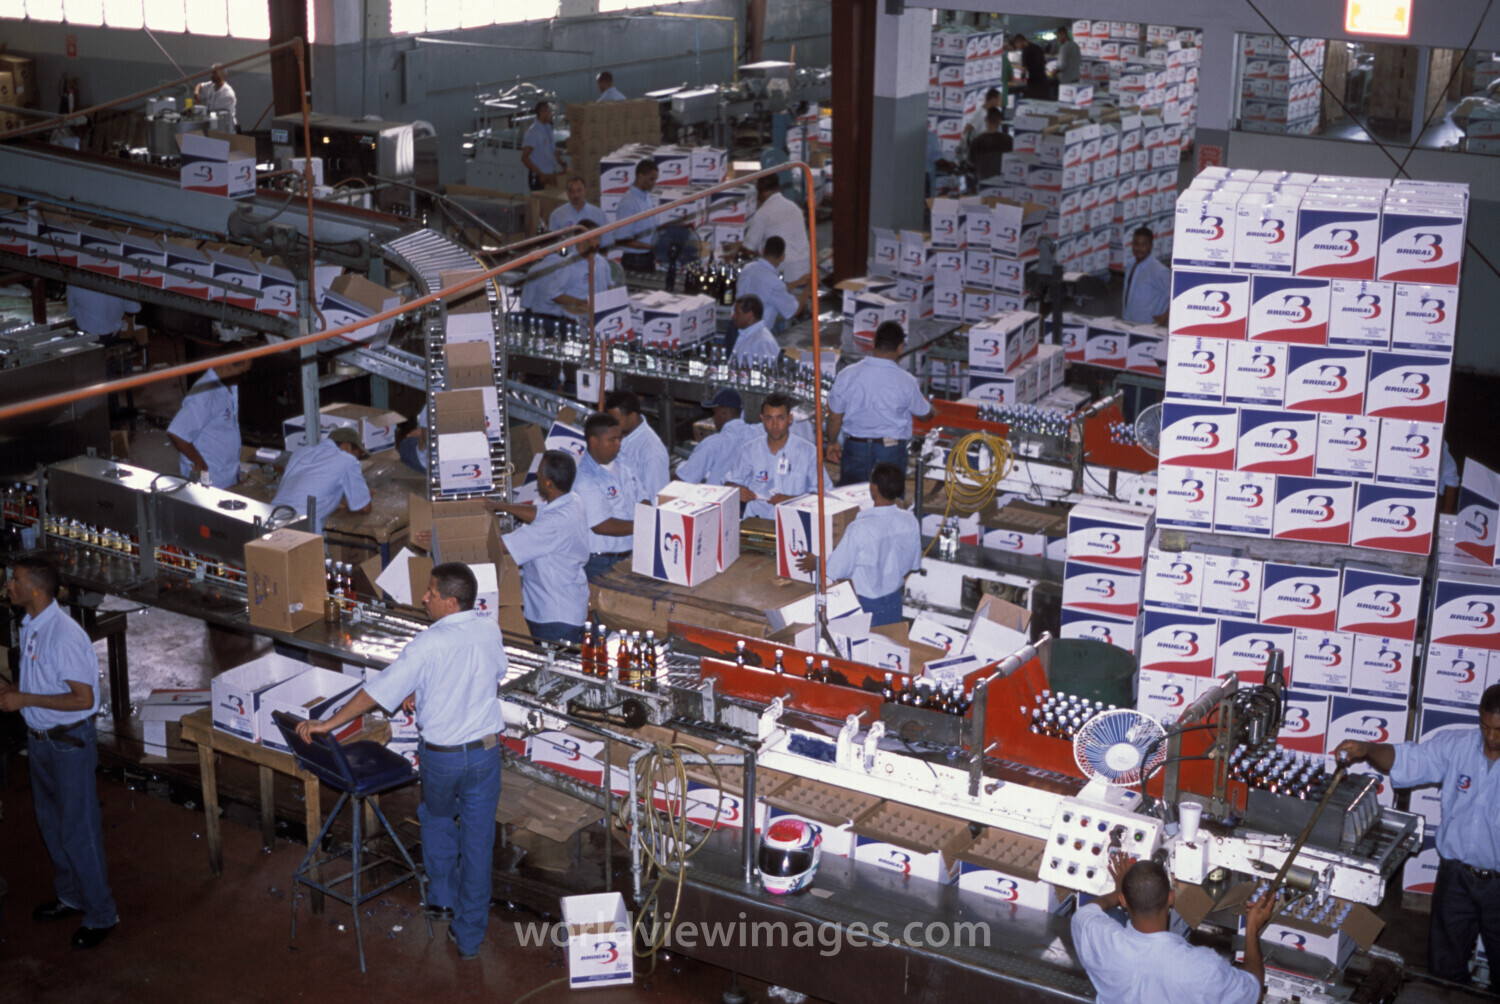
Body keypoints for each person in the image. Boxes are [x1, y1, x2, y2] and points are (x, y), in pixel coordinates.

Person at [297, 563, 505, 962]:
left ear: (451, 601)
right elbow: (490, 673)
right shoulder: (489, 629)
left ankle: (442, 898)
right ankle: (469, 938)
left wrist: (328, 723)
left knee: (437, 817)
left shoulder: (426, 644)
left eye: (431, 593)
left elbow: (376, 692)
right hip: (485, 754)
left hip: (442, 758)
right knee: (478, 843)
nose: (424, 598)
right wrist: (421, 688)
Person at [1334, 684, 1500, 994]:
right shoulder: (1458, 746)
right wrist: (1368, 749)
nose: (1490, 738)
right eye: (1484, 726)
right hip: (1456, 879)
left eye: (1499, 731)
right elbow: (1406, 759)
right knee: (1443, 973)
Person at [0, 557, 118, 950]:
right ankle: (71, 896)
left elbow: (84, 699)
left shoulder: (63, 635)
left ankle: (101, 914)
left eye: (15, 580)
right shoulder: (32, 624)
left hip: (68, 745)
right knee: (51, 823)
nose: (9, 585)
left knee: (78, 830)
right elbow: (41, 679)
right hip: (40, 740)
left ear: (36, 590)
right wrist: (16, 691)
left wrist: (24, 699)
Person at [1072, 852, 1272, 1004]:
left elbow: (1085, 913)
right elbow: (1253, 993)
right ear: (1170, 898)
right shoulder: (1203, 968)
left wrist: (1117, 891)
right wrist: (1252, 928)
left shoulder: (1102, 940)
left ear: (1123, 900)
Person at [796, 462, 920, 626]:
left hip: (866, 605)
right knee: (890, 640)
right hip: (894, 602)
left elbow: (836, 570)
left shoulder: (860, 528)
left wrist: (816, 563)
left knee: (865, 642)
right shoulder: (910, 521)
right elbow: (912, 565)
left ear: (874, 488)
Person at [487, 451, 589, 644]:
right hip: (570, 606)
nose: (537, 476)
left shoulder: (553, 524)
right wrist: (499, 506)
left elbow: (502, 546)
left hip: (554, 616)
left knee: (552, 663)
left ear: (548, 483)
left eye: (540, 473)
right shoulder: (573, 501)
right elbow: (539, 513)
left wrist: (461, 534)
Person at [825, 321, 933, 487]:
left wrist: (832, 442)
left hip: (855, 448)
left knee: (852, 497)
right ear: (900, 348)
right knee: (889, 498)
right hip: (890, 451)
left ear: (873, 342)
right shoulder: (906, 380)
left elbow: (834, 416)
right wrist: (931, 410)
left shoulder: (847, 374)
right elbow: (924, 415)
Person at [728, 393, 831, 520]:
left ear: (790, 419)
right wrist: (737, 490)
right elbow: (729, 484)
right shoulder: (749, 451)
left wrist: (791, 501)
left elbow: (824, 495)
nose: (775, 425)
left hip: (795, 521)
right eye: (769, 418)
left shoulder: (808, 452)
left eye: (780, 418)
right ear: (762, 419)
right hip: (756, 520)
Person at [574, 412, 647, 581]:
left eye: (620, 438)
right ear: (594, 441)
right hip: (602, 561)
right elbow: (602, 525)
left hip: (633, 553)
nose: (618, 444)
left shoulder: (625, 462)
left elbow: (642, 496)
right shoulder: (584, 477)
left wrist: (647, 515)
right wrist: (646, 525)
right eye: (612, 440)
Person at [167, 357, 251, 489]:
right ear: (227, 366)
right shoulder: (204, 395)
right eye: (242, 372)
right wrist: (201, 463)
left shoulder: (230, 385)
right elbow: (177, 433)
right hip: (211, 479)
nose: (245, 377)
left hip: (227, 475)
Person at [271, 427, 373, 534]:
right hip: (301, 528)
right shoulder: (348, 460)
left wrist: (342, 501)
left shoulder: (300, 452)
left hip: (271, 517)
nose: (357, 459)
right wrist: (365, 496)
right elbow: (364, 507)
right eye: (357, 455)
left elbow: (312, 489)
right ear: (346, 446)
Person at [743, 175, 812, 289]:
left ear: (762, 192)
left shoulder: (762, 213)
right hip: (805, 271)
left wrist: (733, 255)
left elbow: (748, 249)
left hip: (784, 275)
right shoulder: (795, 208)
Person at [677, 388, 757, 486]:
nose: (714, 419)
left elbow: (684, 480)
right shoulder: (757, 434)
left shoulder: (712, 443)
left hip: (719, 494)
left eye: (715, 413)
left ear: (723, 411)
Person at [605, 389, 670, 497]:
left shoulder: (651, 452)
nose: (610, 425)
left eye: (616, 421)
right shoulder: (621, 433)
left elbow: (656, 498)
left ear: (633, 417)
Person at [734, 235, 805, 333]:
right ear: (782, 257)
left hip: (734, 328)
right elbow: (793, 311)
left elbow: (767, 290)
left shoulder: (748, 268)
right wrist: (810, 287)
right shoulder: (774, 283)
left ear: (762, 251)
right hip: (754, 335)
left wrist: (797, 283)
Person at [612, 160, 660, 272]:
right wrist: (651, 247)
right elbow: (621, 239)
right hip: (635, 261)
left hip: (647, 257)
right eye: (651, 179)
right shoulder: (629, 204)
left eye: (655, 179)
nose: (654, 183)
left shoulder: (646, 196)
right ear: (640, 176)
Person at [1122, 226, 1171, 327]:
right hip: (1128, 322)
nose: (1139, 248)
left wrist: (1163, 318)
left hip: (1147, 327)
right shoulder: (1131, 264)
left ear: (1151, 246)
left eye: (1144, 245)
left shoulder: (1158, 271)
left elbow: (1176, 296)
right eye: (1136, 244)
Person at [521, 100, 565, 191]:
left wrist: (562, 164)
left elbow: (553, 150)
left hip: (550, 174)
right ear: (542, 112)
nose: (551, 114)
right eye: (549, 112)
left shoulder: (548, 128)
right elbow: (525, 158)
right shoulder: (534, 132)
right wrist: (540, 174)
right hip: (539, 177)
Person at [727, 294, 780, 364]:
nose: (733, 316)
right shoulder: (746, 334)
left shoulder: (762, 342)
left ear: (749, 316)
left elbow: (765, 369)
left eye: (737, 313)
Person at [969, 107, 1012, 183]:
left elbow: (971, 162)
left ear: (985, 119)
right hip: (1002, 183)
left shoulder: (976, 142)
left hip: (983, 184)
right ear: (999, 121)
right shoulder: (1009, 141)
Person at [194, 64, 237, 129]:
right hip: (214, 124)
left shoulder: (228, 94)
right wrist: (196, 93)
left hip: (226, 126)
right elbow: (199, 85)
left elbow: (220, 117)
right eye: (211, 73)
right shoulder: (211, 85)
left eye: (215, 73)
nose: (212, 75)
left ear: (223, 75)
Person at [1011, 34, 1050, 100]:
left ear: (1020, 42)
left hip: (1034, 83)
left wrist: (1022, 78)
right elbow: (1045, 61)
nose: (1019, 47)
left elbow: (1024, 69)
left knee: (1034, 103)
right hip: (1043, 80)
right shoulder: (1038, 47)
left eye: (1017, 45)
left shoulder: (1026, 51)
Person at [398, 404, 430, 473]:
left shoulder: (431, 405)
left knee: (404, 445)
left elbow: (427, 443)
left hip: (431, 465)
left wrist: (421, 434)